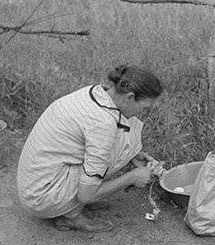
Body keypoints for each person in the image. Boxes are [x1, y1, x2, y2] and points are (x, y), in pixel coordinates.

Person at [17, 64, 164, 231]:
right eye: (144, 107)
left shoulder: (96, 92)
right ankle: (72, 215)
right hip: (40, 197)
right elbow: (86, 195)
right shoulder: (103, 123)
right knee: (95, 179)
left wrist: (132, 157)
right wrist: (132, 178)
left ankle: (69, 203)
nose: (142, 112)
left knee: (125, 133)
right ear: (129, 97)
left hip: (35, 179)